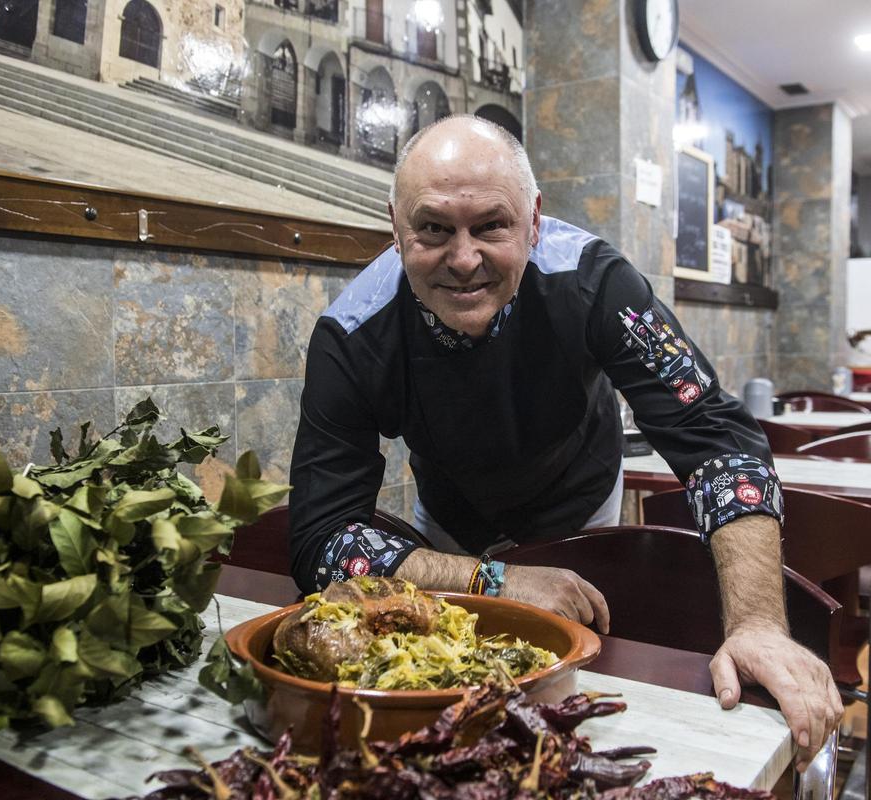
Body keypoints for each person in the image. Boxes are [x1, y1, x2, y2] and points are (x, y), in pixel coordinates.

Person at [289, 115, 842, 770]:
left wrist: (758, 626)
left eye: (491, 225)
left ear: (534, 220)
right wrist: (492, 579)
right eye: (434, 228)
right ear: (395, 226)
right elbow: (322, 538)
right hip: (450, 524)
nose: (463, 259)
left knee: (574, 706)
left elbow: (716, 436)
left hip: (582, 504)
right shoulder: (352, 333)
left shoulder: (594, 281)